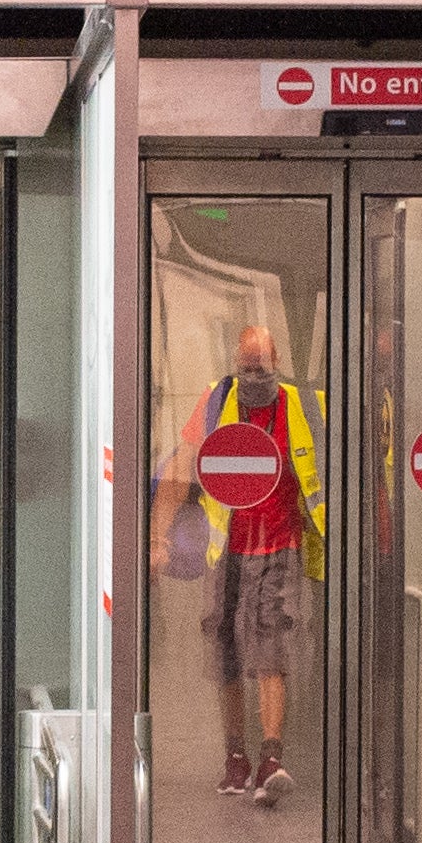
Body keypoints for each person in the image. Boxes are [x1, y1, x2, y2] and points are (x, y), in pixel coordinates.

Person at [146, 322, 322, 803]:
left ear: (278, 361)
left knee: (272, 644)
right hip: (225, 548)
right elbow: (182, 467)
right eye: (246, 368)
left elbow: (335, 467)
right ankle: (235, 757)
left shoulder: (304, 405)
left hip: (280, 544)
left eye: (261, 367)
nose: (254, 376)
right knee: (224, 647)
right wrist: (157, 537)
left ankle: (271, 757)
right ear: (234, 364)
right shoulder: (216, 401)